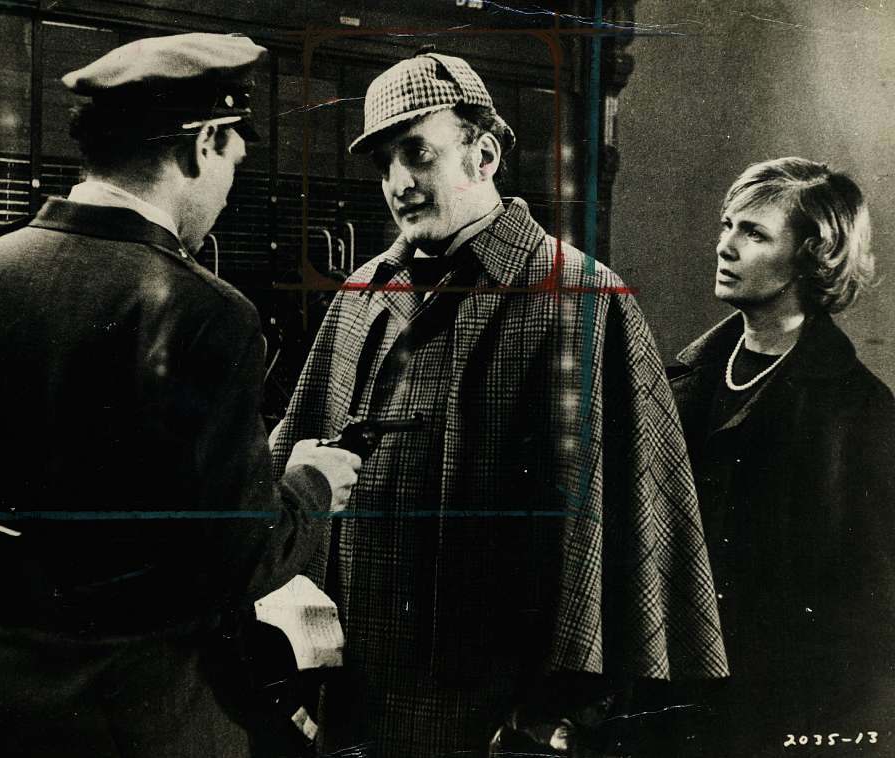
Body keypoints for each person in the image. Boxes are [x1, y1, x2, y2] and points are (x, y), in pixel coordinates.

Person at [0, 33, 360, 758]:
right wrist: (308, 486)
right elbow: (233, 561)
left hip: (0, 696)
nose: (228, 191)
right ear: (203, 143)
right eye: (233, 162)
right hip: (148, 714)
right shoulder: (206, 313)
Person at [271, 49, 728, 757]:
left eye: (417, 153)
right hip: (355, 692)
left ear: (483, 155)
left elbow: (614, 531)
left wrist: (554, 709)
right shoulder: (363, 294)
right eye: (384, 164)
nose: (398, 184)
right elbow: (288, 482)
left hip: (494, 708)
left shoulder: (580, 297)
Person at [665, 157, 895, 756]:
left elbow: (869, 610)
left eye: (754, 233)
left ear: (811, 258)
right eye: (727, 225)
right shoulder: (676, 381)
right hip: (668, 696)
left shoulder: (859, 411)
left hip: (778, 710)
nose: (725, 246)